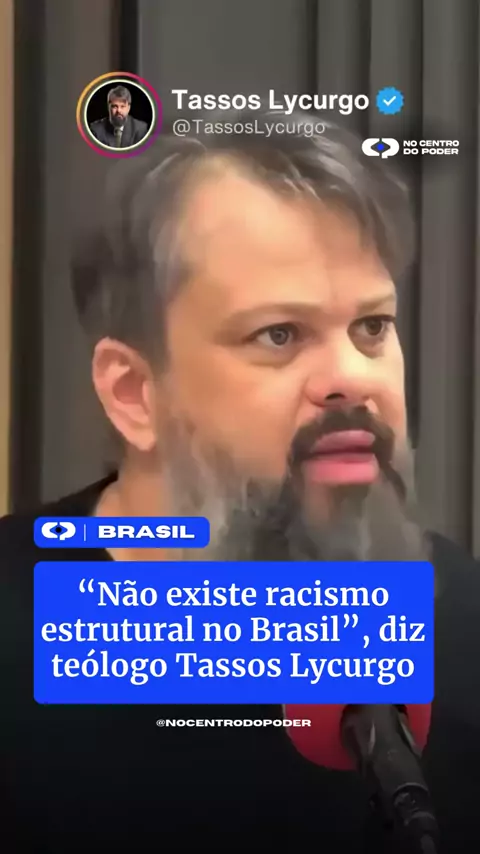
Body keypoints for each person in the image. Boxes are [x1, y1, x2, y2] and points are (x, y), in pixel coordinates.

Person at [1, 108, 480, 852]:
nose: (353, 377)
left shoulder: (461, 622)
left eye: (372, 327)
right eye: (278, 334)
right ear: (134, 393)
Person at [89, 84, 148, 149]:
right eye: (115, 106)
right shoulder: (96, 130)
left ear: (128, 108)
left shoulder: (140, 129)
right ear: (108, 107)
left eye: (122, 106)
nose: (118, 111)